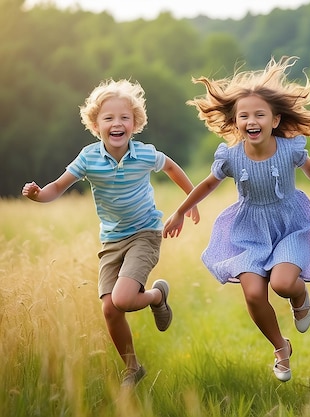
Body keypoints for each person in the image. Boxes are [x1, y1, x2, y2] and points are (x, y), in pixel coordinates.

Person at [163, 56, 310, 382]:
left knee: (281, 284)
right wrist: (181, 209)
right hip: (249, 229)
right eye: (244, 115)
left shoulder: (289, 149)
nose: (251, 120)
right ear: (236, 122)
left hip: (290, 224)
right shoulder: (231, 156)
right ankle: (281, 348)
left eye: (259, 114)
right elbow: (209, 183)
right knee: (253, 293)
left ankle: (299, 296)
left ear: (275, 120)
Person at [22, 79, 200, 389]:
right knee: (110, 309)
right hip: (111, 240)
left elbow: (172, 168)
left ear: (135, 123)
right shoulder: (88, 158)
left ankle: (157, 295)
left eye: (124, 118)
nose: (117, 123)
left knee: (123, 298)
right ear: (96, 124)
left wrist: (188, 204)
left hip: (145, 233)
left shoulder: (144, 154)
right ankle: (133, 368)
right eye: (109, 118)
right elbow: (58, 187)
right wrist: (38, 195)